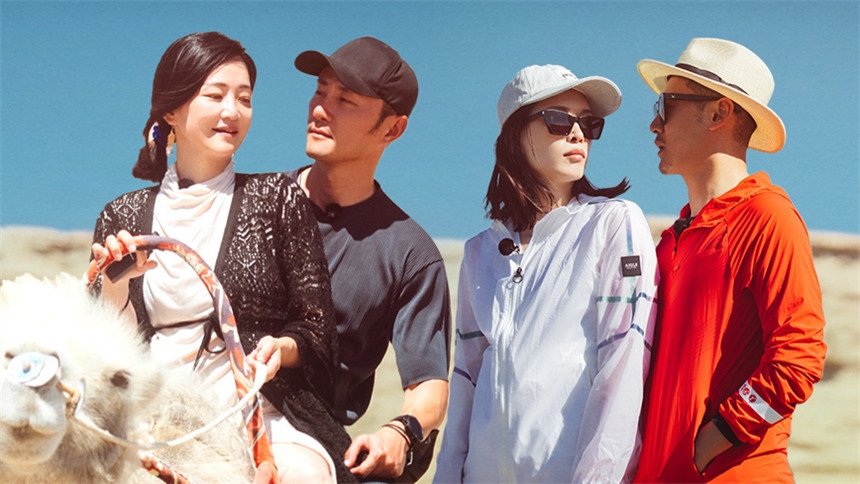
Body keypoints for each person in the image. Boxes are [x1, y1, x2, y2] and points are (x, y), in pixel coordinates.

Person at [89, 32, 356, 483]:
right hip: (155, 419)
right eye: (215, 96)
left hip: (260, 412)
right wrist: (115, 285)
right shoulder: (122, 216)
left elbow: (317, 331)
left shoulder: (276, 198)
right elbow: (106, 355)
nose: (232, 111)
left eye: (244, 99)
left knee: (303, 475)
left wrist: (279, 348)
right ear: (171, 109)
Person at [434, 64, 658, 483]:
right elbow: (466, 382)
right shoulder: (480, 252)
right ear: (515, 135)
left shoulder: (613, 223)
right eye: (558, 119)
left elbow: (623, 367)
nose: (577, 134)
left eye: (588, 124)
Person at [634, 37, 827, 482]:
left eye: (666, 105)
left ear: (718, 113)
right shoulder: (668, 243)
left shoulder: (766, 216)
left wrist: (711, 443)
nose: (653, 123)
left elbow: (799, 357)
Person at [288, 36, 451, 482]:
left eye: (345, 100)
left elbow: (428, 386)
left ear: (392, 129)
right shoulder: (252, 202)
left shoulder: (411, 254)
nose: (320, 109)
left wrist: (398, 434)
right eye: (320, 91)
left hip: (310, 450)